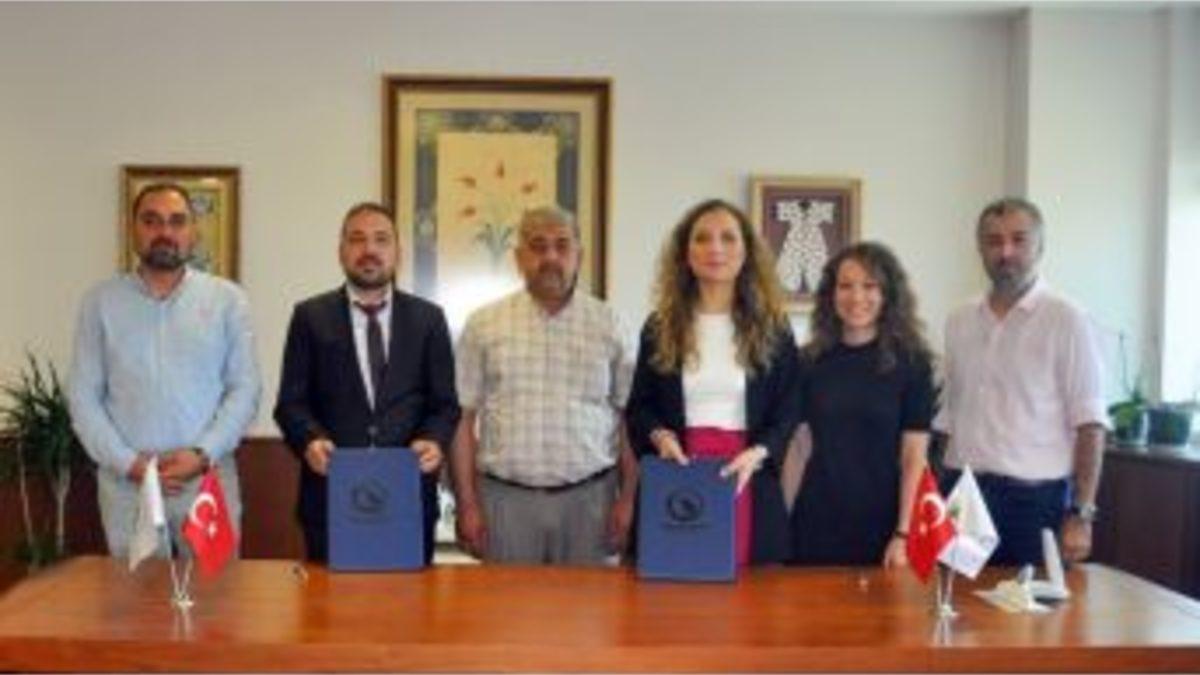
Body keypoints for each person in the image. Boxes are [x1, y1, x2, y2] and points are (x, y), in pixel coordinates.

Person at [69, 183, 261, 557]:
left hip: (205, 478)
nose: (165, 232)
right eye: (151, 221)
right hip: (128, 484)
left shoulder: (227, 301)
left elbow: (245, 389)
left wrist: (202, 454)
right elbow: (83, 397)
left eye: (177, 221)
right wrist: (131, 464)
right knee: (136, 591)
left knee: (216, 588)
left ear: (194, 232)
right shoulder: (100, 303)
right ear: (133, 230)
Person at [274, 202, 460, 564]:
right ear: (341, 251)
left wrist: (434, 439)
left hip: (408, 497)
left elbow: (445, 405)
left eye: (381, 239)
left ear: (397, 251)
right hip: (331, 497)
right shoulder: (310, 317)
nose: (369, 249)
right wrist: (310, 440)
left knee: (408, 599)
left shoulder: (428, 319)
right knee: (330, 599)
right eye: (357, 239)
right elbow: (291, 403)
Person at [451, 206, 637, 565]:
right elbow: (462, 418)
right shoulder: (484, 324)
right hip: (505, 504)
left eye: (562, 245)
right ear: (519, 258)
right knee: (506, 603)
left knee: (591, 603)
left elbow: (630, 417)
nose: (551, 257)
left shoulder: (611, 324)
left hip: (591, 503)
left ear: (579, 255)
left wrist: (629, 499)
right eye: (538, 246)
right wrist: (468, 503)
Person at [626, 199, 800, 566]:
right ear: (685, 254)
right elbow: (639, 407)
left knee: (752, 594)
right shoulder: (659, 327)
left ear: (746, 252)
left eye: (728, 238)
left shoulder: (774, 329)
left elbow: (789, 408)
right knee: (676, 588)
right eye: (702, 238)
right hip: (678, 473)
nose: (715, 248)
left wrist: (760, 452)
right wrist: (660, 436)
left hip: (747, 474)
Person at [936, 197, 1107, 565]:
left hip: (1035, 504)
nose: (1006, 252)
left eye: (1018, 239)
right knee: (956, 597)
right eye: (994, 241)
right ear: (980, 249)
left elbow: (1091, 424)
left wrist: (1082, 514)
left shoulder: (1068, 319)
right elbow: (950, 415)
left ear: (1040, 246)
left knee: (1031, 603)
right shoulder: (959, 320)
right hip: (964, 496)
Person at [788, 242, 934, 567]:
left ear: (887, 294)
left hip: (885, 526)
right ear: (831, 294)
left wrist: (904, 533)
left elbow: (914, 457)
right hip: (816, 521)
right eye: (845, 286)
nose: (856, 297)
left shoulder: (913, 363)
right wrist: (782, 522)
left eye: (870, 286)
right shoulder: (808, 361)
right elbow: (799, 448)